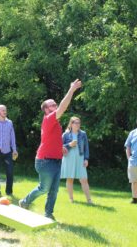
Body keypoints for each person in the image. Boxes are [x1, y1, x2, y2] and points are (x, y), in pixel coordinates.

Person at [19, 79, 82, 220]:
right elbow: (62, 109)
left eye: (55, 104)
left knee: (54, 190)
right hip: (45, 161)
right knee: (44, 188)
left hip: (56, 160)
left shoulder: (54, 122)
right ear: (47, 110)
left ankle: (48, 214)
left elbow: (51, 140)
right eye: (52, 105)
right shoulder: (48, 119)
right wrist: (71, 90)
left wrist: (61, 148)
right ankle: (25, 202)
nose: (56, 105)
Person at [61, 116, 92, 204]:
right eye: (76, 123)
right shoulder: (65, 134)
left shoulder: (83, 134)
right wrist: (69, 145)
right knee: (70, 179)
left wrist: (86, 159)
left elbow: (86, 147)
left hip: (80, 158)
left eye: (79, 123)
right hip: (69, 158)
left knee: (84, 179)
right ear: (71, 124)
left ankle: (89, 200)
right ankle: (71, 199)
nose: (78, 125)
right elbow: (59, 147)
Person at [0, 104, 18, 197]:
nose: (5, 112)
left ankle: (9, 192)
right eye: (3, 110)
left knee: (10, 172)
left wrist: (14, 149)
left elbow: (12, 137)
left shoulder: (10, 123)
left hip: (8, 151)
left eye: (5, 110)